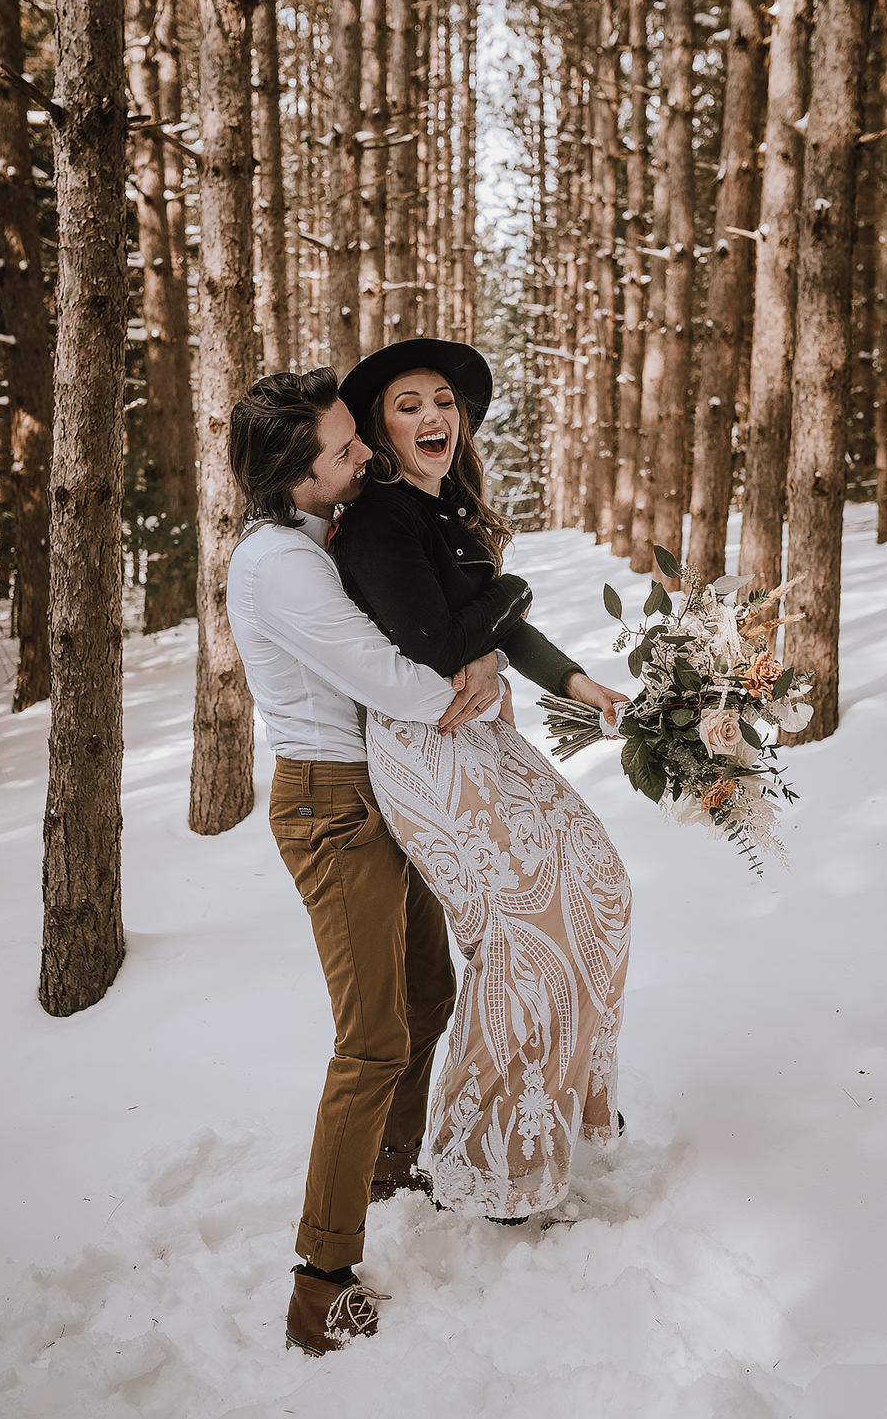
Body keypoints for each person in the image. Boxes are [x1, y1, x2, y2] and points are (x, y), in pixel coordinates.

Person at [225, 367, 516, 1355]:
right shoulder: (281, 564)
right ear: (295, 478)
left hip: (379, 797)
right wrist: (463, 674)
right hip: (331, 808)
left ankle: (388, 1169)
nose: (364, 457)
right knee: (372, 1042)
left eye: (358, 435)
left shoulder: (314, 536)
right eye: (345, 450)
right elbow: (389, 677)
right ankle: (321, 1281)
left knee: (429, 992)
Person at [332, 338, 632, 1223]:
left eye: (445, 403)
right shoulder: (383, 518)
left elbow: (491, 627)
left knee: (600, 891)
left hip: (477, 726)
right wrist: (505, 609)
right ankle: (488, 1161)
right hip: (426, 744)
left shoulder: (446, 509)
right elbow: (436, 639)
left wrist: (583, 687)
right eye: (409, 404)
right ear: (382, 433)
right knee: (521, 936)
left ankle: (555, 1107)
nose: (434, 417)